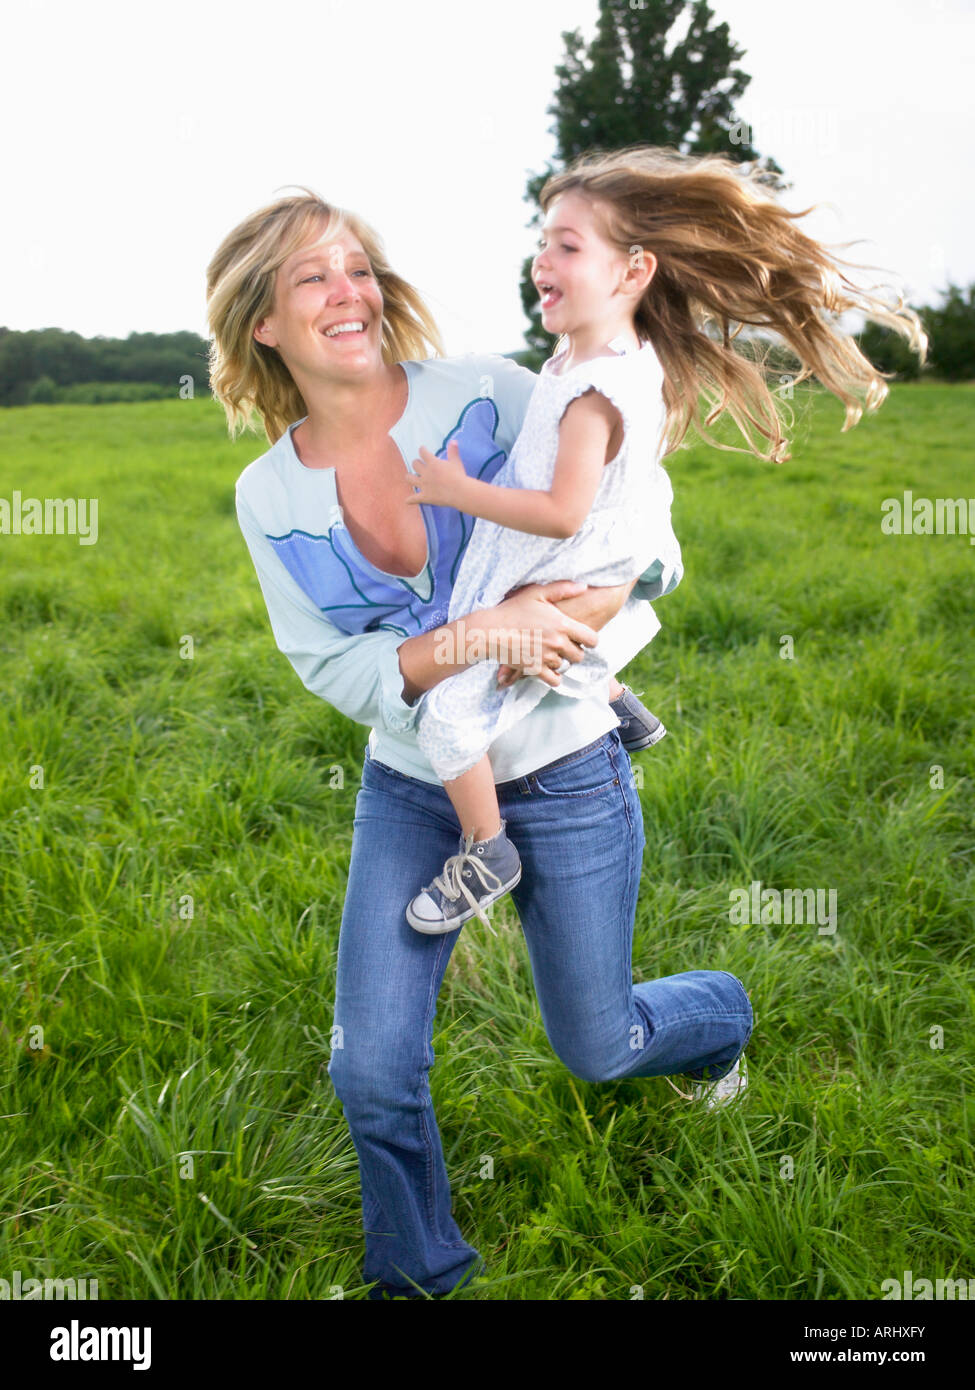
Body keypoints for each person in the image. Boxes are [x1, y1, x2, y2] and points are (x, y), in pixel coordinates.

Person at [207, 146, 922, 1299]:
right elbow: (333, 667)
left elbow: (651, 543)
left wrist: (563, 606)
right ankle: (418, 1271)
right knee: (373, 1066)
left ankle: (719, 1015)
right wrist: (490, 633)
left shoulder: (491, 390)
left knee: (598, 1046)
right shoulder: (267, 497)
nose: (350, 293)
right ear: (263, 328)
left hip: (565, 769)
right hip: (412, 784)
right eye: (312, 280)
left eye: (358, 269)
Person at [401, 182, 679, 936]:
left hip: (560, 551)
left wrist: (458, 491)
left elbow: (561, 512)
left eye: (567, 245)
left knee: (445, 712)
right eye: (542, 242)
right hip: (588, 555)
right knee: (558, 632)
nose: (541, 260)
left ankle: (488, 849)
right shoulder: (595, 360)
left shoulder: (591, 391)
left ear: (632, 272)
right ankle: (616, 701)